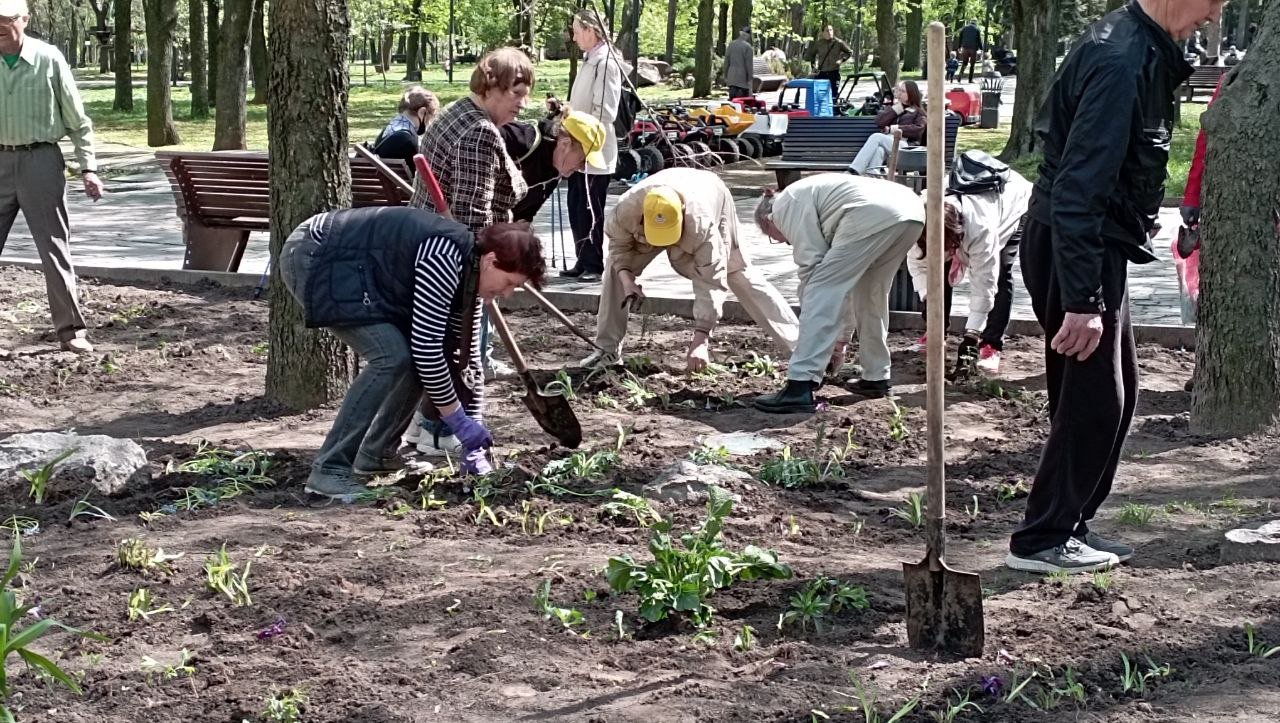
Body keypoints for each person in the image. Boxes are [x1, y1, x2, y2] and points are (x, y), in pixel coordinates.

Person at [1005, 0, 1221, 575]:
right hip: (1079, 246)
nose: (1214, 14)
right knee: (1097, 399)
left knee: (1108, 397)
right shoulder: (1120, 58)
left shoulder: (1143, 48)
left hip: (1096, 245)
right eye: (1214, 2)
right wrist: (1083, 299)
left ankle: (1067, 525)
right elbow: (1079, 185)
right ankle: (1042, 538)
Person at [278, 207, 546, 501]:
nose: (507, 294)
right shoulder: (444, 258)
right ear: (492, 261)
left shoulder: (470, 278)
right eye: (510, 284)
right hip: (318, 253)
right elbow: (427, 347)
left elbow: (464, 359)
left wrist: (475, 429)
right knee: (391, 356)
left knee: (418, 361)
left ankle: (376, 454)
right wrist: (457, 422)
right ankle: (328, 470)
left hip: (358, 270)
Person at [405, 47, 531, 454]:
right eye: (516, 92)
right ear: (492, 85)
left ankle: (424, 427)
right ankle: (442, 436)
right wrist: (486, 272)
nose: (522, 103)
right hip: (456, 261)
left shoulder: (456, 113)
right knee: (459, 349)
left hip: (434, 246)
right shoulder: (478, 132)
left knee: (450, 346)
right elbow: (472, 217)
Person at [580, 168, 800, 372]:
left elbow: (711, 281)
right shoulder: (625, 211)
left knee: (737, 273)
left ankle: (800, 349)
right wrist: (627, 280)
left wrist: (701, 338)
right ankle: (607, 351)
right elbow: (619, 248)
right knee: (614, 271)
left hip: (712, 195)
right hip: (659, 203)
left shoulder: (702, 225)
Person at [751, 174, 925, 413]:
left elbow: (815, 273)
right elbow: (845, 288)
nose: (784, 243)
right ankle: (876, 377)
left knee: (819, 290)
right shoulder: (807, 194)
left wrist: (822, 341)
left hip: (870, 213)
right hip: (911, 212)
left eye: (775, 239)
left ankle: (800, 385)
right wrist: (840, 342)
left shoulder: (784, 206)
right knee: (871, 294)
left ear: (768, 221)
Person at [0, 0, 101, 354]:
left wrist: (88, 167)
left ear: (24, 20)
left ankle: (72, 330)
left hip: (40, 161)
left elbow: (77, 120)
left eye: (5, 19)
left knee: (54, 248)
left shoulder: (49, 58)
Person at [907, 168, 1033, 375]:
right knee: (937, 269)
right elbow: (918, 265)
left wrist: (971, 337)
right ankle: (936, 333)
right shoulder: (919, 220)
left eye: (947, 247)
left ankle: (990, 345)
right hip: (963, 218)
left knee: (1000, 273)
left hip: (1010, 205)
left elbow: (984, 284)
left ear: (956, 236)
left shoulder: (981, 229)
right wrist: (930, 302)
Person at [562, 8, 626, 283]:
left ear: (591, 30)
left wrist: (581, 129)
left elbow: (605, 112)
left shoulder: (605, 63)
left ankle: (593, 264)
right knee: (576, 204)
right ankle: (582, 258)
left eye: (577, 31)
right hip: (579, 145)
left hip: (594, 148)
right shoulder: (591, 60)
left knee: (590, 208)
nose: (574, 37)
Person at [502, 108, 608, 223]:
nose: (583, 168)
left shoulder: (555, 173)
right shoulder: (519, 139)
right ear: (565, 144)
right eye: (583, 160)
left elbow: (525, 216)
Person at [847, 80, 926, 175]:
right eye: (899, 91)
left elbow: (917, 130)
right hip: (891, 142)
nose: (899, 93)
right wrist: (895, 110)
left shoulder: (918, 112)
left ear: (911, 93)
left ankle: (854, 171)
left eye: (903, 91)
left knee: (876, 137)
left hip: (906, 146)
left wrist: (893, 129)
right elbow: (879, 122)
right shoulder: (896, 108)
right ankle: (873, 175)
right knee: (879, 150)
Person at [371, 85, 440, 172]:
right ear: (422, 113)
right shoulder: (408, 141)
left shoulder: (388, 131)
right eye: (431, 117)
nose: (430, 123)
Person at [803, 25, 852, 96]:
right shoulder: (819, 43)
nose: (829, 32)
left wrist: (841, 60)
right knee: (820, 94)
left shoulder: (838, 42)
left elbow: (849, 52)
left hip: (834, 72)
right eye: (827, 30)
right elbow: (811, 56)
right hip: (822, 73)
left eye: (831, 30)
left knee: (834, 95)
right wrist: (814, 67)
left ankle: (834, 106)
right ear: (823, 33)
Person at [725, 27, 755, 100]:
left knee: (732, 103)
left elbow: (726, 62)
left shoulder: (731, 44)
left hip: (731, 77)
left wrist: (726, 75)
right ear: (748, 35)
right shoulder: (748, 47)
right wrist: (750, 79)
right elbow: (749, 65)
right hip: (742, 79)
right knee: (742, 103)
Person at [956, 19, 983, 83]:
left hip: (965, 48)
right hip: (973, 48)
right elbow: (979, 40)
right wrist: (981, 48)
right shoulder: (977, 29)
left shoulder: (964, 28)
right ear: (975, 23)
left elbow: (960, 38)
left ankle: (960, 76)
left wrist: (959, 47)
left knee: (964, 62)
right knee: (972, 64)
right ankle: (970, 79)